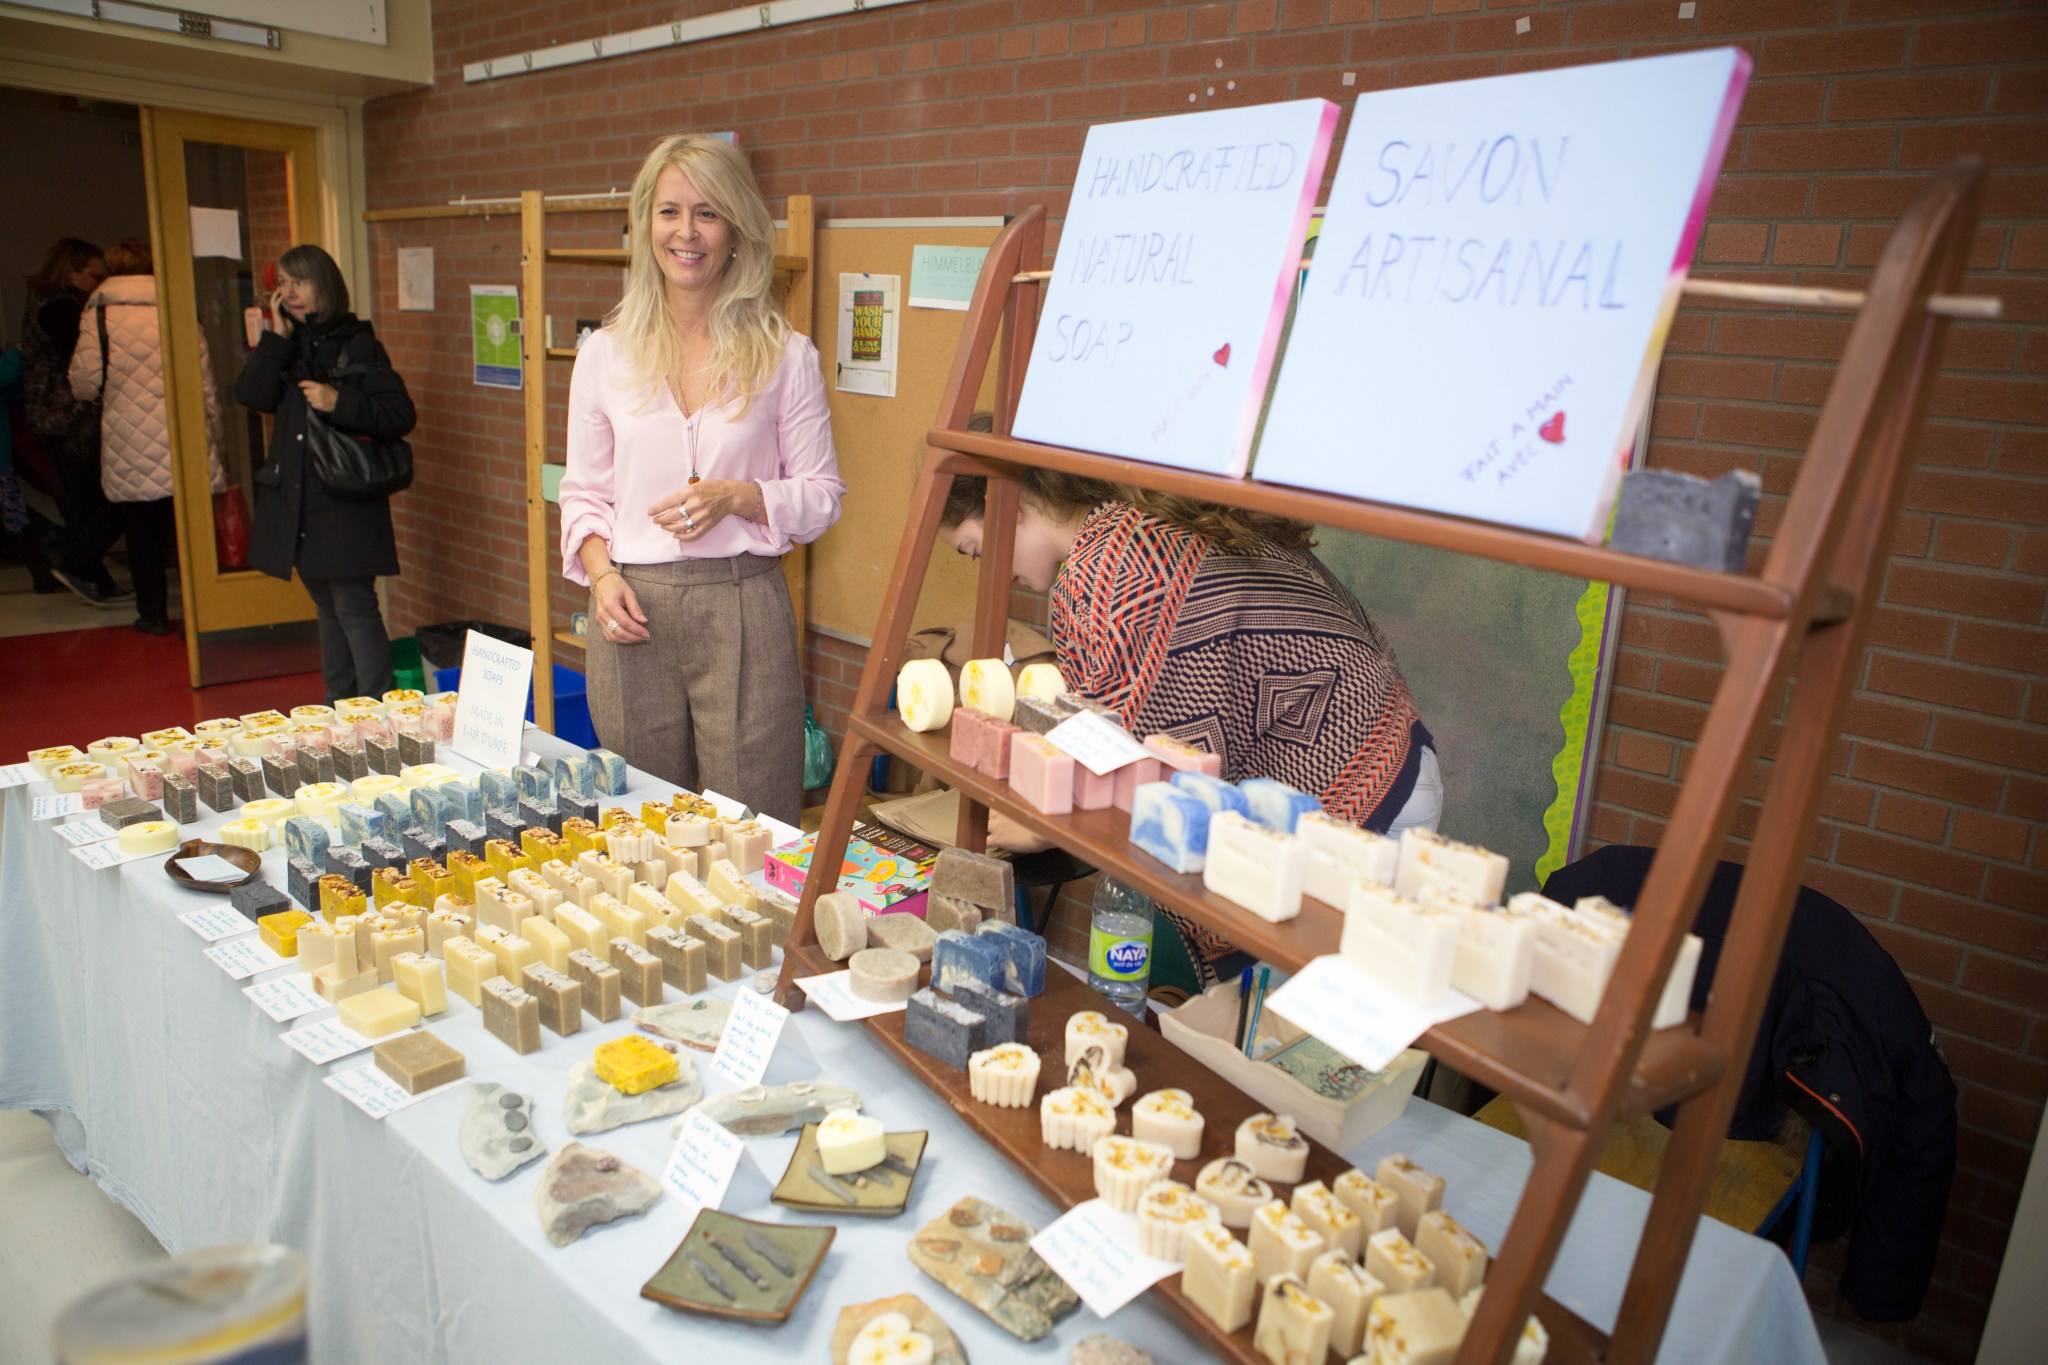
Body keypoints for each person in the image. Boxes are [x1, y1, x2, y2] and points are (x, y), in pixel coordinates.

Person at [938, 444, 1441, 981]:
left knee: (1305, 1023)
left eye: (974, 549)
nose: (984, 570)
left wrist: (1043, 826)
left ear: (1007, 506)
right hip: (1392, 753)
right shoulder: (1139, 518)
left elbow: (1147, 763)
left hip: (1352, 800)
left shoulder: (1101, 573)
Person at [559, 133, 843, 824]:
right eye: (669, 211)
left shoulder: (785, 355)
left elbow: (823, 495)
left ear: (737, 229)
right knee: (645, 825)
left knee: (754, 822)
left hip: (743, 603)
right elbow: (583, 494)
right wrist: (601, 577)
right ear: (645, 222)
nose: (686, 232)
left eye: (708, 213)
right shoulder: (603, 355)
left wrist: (742, 496)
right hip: (632, 609)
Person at [237, 243, 415, 702]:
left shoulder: (357, 342)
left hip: (344, 501)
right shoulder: (287, 345)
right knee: (326, 608)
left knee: (354, 607)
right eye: (283, 283)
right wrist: (274, 338)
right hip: (300, 501)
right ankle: (339, 708)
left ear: (325, 286)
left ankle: (375, 710)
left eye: (300, 282)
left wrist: (341, 403)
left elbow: (399, 414)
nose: (289, 292)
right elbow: (252, 394)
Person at [69, 238, 225, 636]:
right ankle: (203, 612)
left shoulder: (98, 313)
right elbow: (204, 380)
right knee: (187, 529)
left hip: (128, 434)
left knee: (141, 531)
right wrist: (215, 432)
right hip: (183, 431)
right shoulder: (177, 304)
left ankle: (153, 615)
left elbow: (85, 383)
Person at [19, 236, 122, 603]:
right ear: (72, 272)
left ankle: (91, 575)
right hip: (70, 420)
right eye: (95, 276)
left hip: (53, 418)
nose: (100, 284)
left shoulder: (44, 304)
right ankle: (80, 565)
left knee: (84, 500)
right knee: (107, 497)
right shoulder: (62, 310)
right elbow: (80, 363)